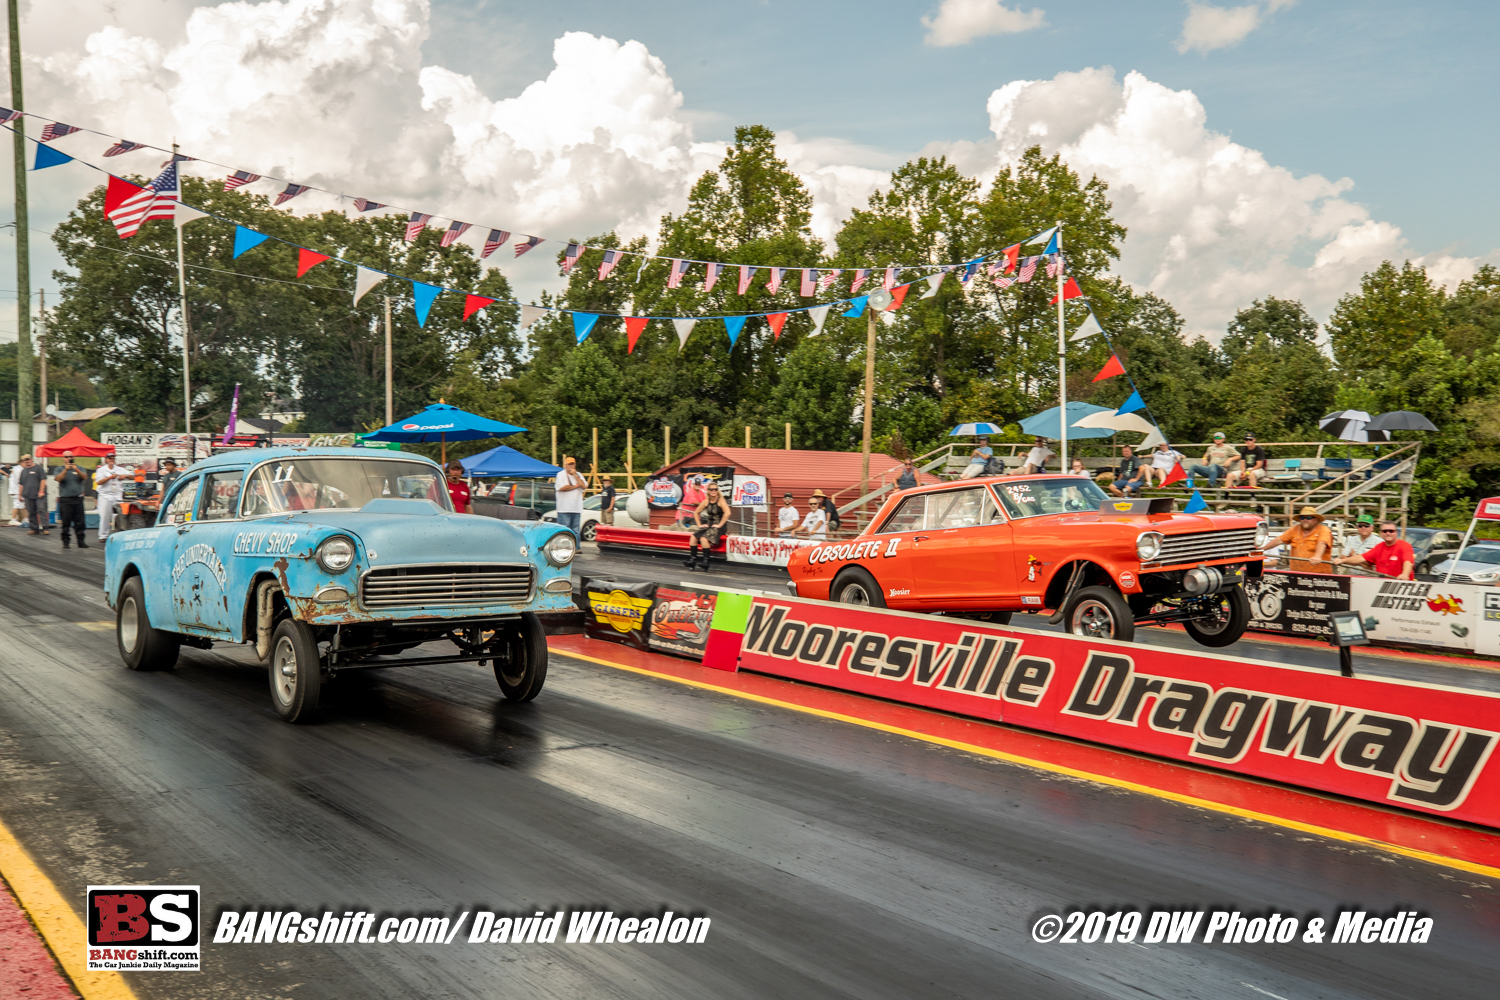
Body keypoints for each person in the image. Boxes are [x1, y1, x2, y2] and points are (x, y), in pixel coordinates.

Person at [1334, 521, 1415, 580]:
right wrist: (1342, 561)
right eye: (1385, 531)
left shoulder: (1404, 546)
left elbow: (1408, 562)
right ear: (1381, 533)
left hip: (1400, 584)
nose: (1388, 533)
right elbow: (1361, 558)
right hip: (1381, 585)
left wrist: (1405, 575)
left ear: (1396, 532)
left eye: (1391, 531)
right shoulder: (1379, 547)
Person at [684, 481, 731, 570]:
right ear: (708, 491)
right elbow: (696, 512)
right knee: (693, 537)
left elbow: (727, 513)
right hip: (709, 525)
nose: (714, 491)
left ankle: (706, 562)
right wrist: (699, 525)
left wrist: (720, 525)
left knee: (703, 538)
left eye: (715, 489)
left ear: (717, 490)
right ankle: (692, 561)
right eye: (711, 489)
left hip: (719, 527)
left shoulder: (721, 500)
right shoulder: (706, 501)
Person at [1276, 506, 1333, 573]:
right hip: (1296, 573)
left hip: (1319, 574)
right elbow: (1279, 539)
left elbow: (1322, 542)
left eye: (1308, 517)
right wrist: (1264, 549)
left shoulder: (1323, 530)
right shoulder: (1295, 529)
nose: (1305, 520)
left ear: (1315, 520)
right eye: (1302, 518)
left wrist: (1317, 556)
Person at [55, 452, 90, 548]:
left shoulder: (79, 468)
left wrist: (76, 469)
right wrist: (66, 470)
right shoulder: (59, 469)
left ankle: (81, 541)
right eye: (66, 457)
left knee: (80, 522)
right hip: (65, 499)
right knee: (66, 522)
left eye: (70, 456)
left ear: (73, 457)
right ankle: (66, 542)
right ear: (63, 458)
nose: (68, 458)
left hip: (77, 498)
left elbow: (84, 477)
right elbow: (58, 479)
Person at [93, 451, 127, 544]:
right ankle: (103, 536)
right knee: (105, 516)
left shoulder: (119, 469)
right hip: (105, 495)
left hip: (117, 495)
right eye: (110, 458)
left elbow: (131, 475)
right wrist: (110, 477)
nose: (112, 460)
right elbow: (98, 482)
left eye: (113, 458)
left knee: (120, 515)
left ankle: (119, 534)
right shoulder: (101, 470)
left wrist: (125, 476)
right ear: (106, 460)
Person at [553, 456, 586, 533]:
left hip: (576, 508)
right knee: (564, 530)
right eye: (569, 464)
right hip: (564, 509)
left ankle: (576, 542)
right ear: (565, 465)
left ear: (575, 465)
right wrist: (576, 486)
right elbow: (562, 488)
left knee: (576, 531)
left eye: (573, 464)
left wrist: (575, 475)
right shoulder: (560, 474)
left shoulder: (579, 475)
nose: (571, 466)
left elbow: (583, 486)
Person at [16, 455, 46, 535]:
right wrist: (19, 495)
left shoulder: (38, 468)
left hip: (38, 494)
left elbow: (43, 479)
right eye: (25, 460)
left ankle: (45, 528)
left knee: (41, 510)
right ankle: (34, 529)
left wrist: (41, 491)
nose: (27, 461)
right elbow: (21, 484)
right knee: (31, 512)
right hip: (28, 495)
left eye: (28, 459)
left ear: (31, 459)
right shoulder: (23, 471)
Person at [6, 459, 23, 526]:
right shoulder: (18, 470)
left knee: (22, 505)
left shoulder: (16, 468)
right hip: (16, 489)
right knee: (17, 504)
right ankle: (13, 519)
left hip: (16, 489)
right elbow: (20, 480)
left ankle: (25, 519)